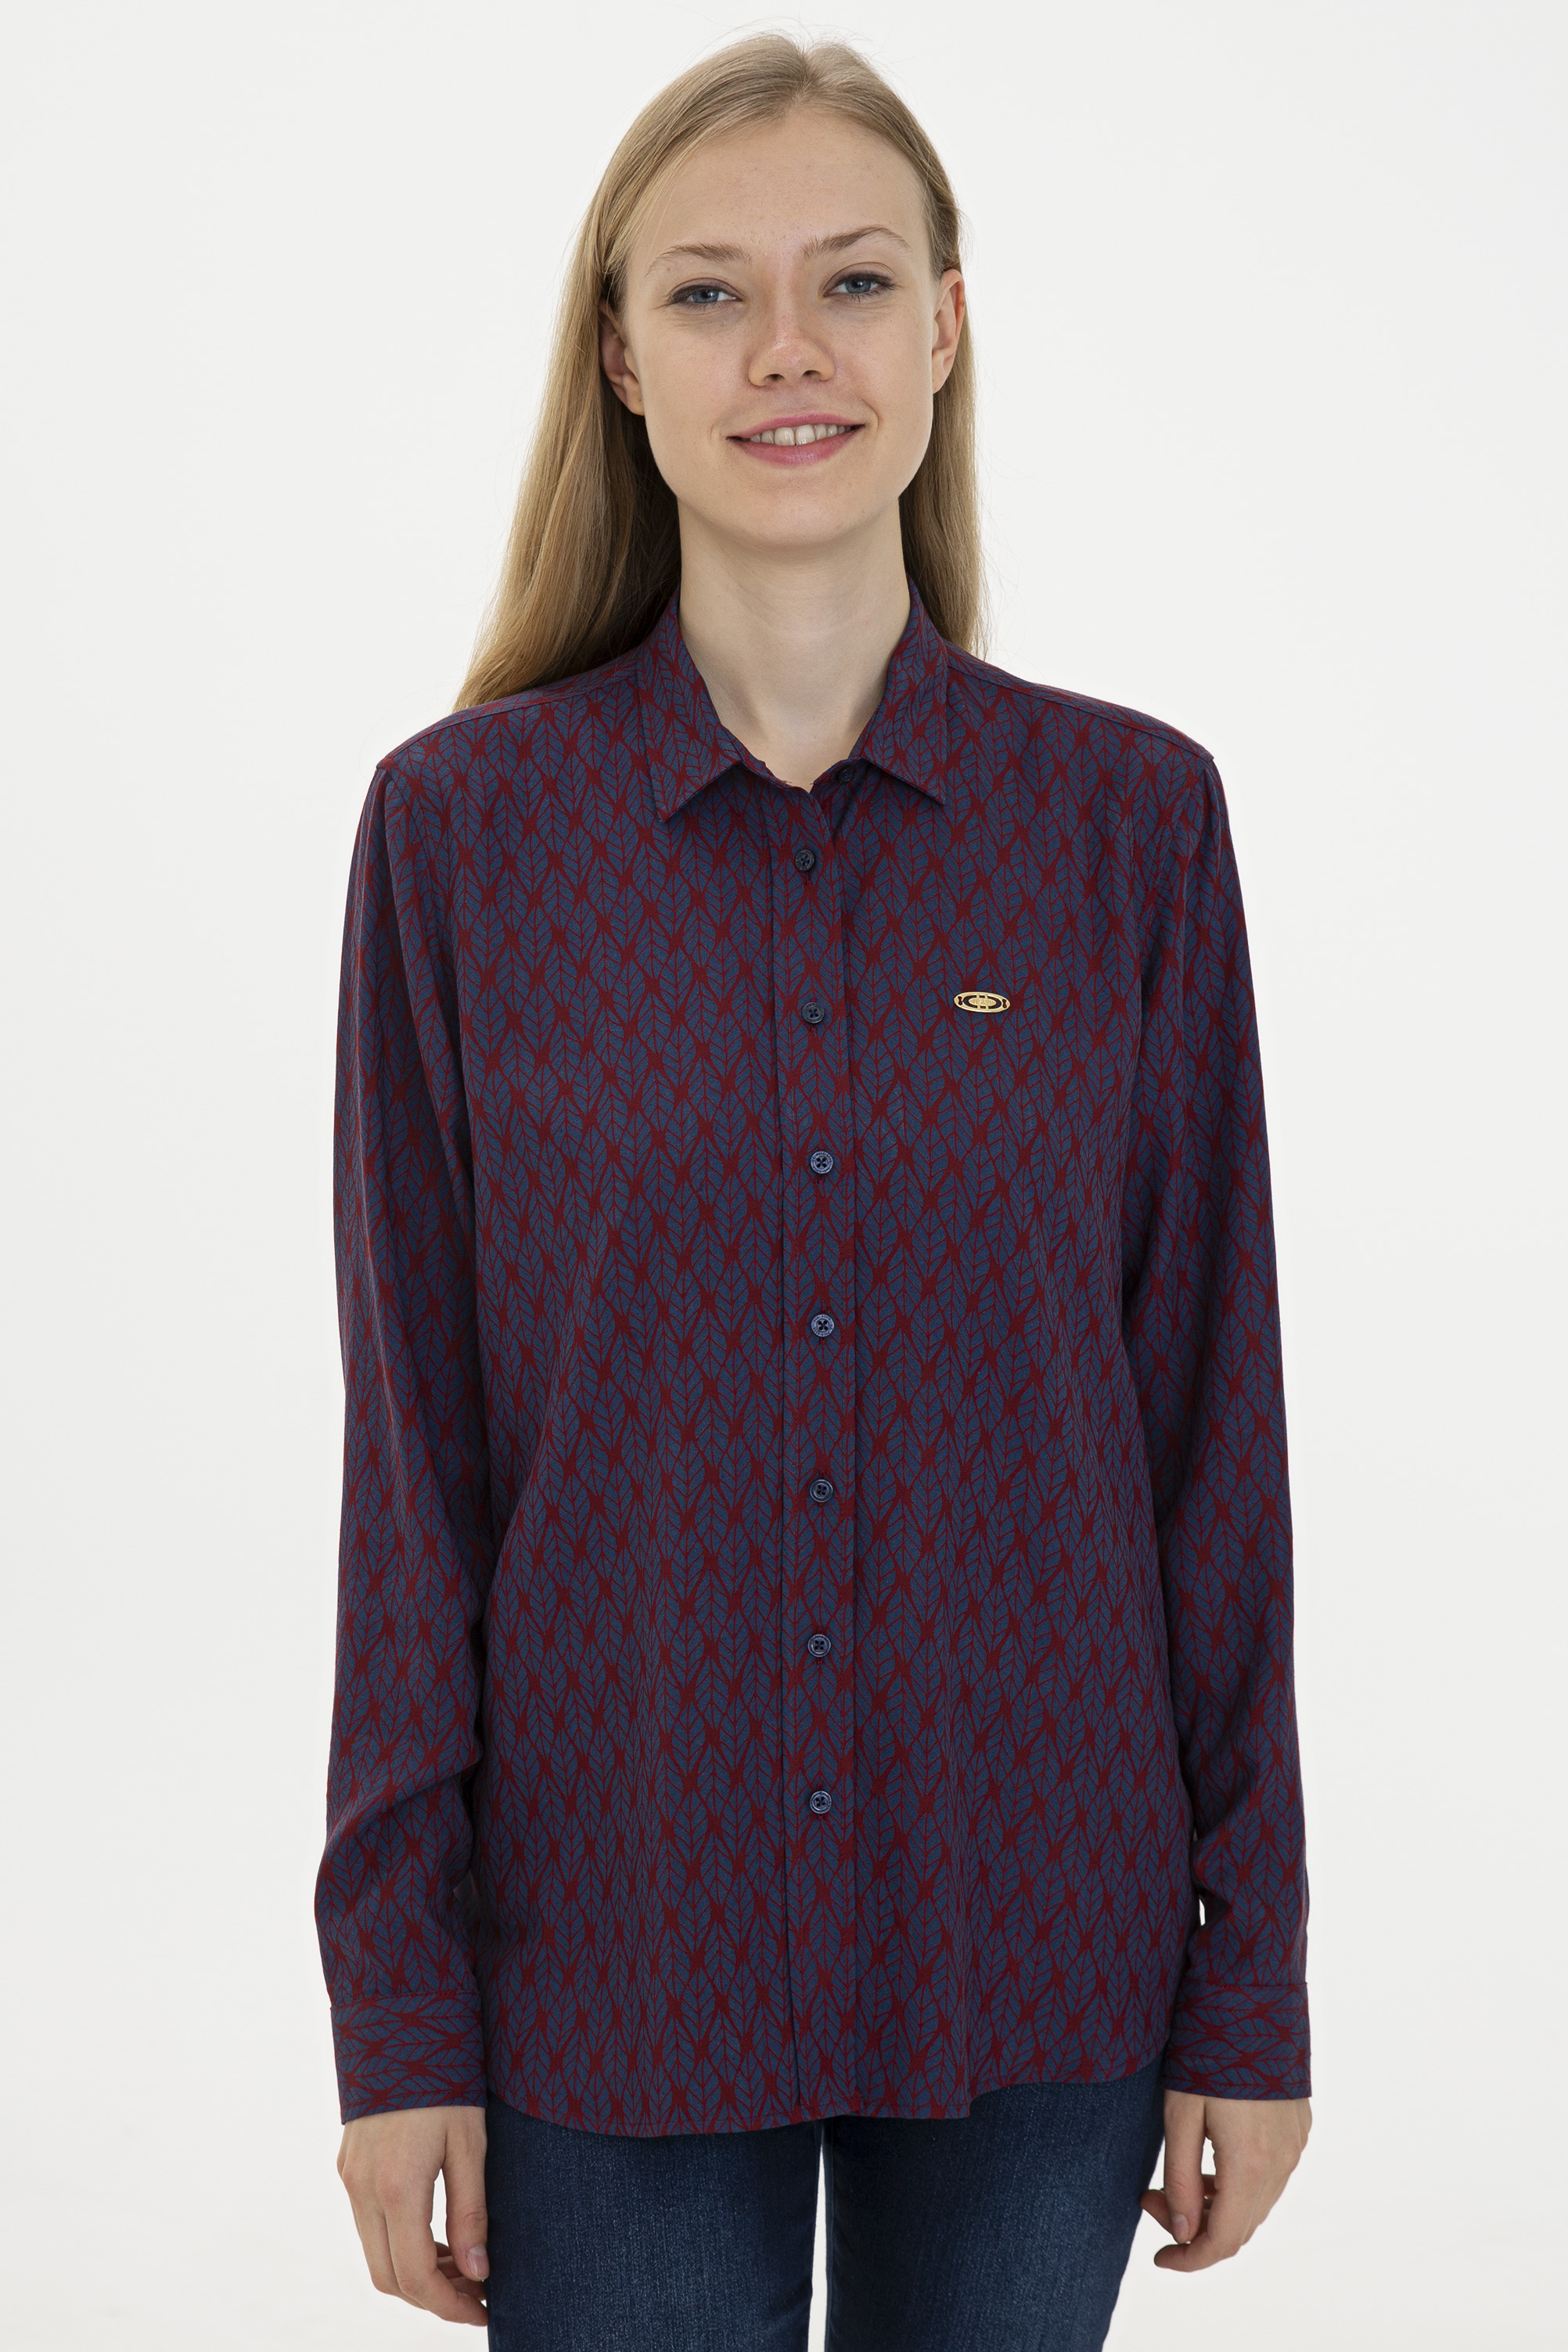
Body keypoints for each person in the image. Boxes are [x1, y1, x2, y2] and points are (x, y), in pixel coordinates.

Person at [316, 32, 1311, 2350]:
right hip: (607, 1959)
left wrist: (1248, 1978)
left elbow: (1215, 1430)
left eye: (853, 282)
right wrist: (398, 2015)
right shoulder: (462, 841)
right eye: (708, 293)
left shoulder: (1129, 829)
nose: (788, 349)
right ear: (618, 357)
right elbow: (412, 1472)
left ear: (945, 330)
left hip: (1042, 1937)